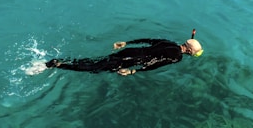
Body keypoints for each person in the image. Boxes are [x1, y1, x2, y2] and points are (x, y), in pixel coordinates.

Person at [42, 29, 203, 76]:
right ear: (189, 50)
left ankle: (63, 62)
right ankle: (58, 64)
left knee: (97, 61)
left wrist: (126, 42)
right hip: (131, 60)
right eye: (196, 53)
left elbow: (147, 39)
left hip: (131, 50)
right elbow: (158, 63)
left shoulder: (169, 42)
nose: (196, 55)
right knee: (94, 68)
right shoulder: (177, 56)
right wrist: (133, 71)